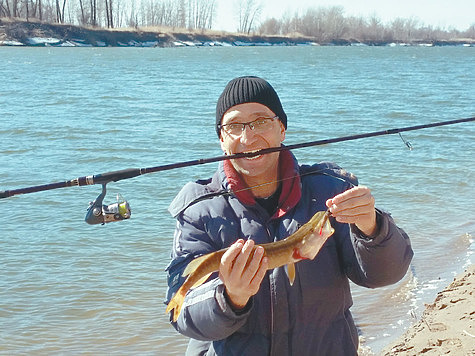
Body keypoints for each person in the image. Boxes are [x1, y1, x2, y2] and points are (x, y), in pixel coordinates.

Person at [165, 76, 413, 355]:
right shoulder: (198, 209)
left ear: (281, 128)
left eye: (261, 121)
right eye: (234, 126)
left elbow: (386, 274)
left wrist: (372, 227)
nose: (248, 137)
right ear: (222, 138)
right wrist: (230, 298)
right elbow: (181, 313)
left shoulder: (330, 190)